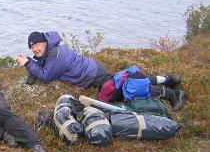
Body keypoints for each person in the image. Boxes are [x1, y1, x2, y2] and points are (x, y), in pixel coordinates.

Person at [16, 31, 185, 111]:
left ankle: (171, 93)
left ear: (44, 42)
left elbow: (46, 76)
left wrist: (27, 64)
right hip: (92, 70)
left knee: (124, 90)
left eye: (37, 44)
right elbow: (46, 65)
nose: (35, 49)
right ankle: (167, 79)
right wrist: (33, 61)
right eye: (32, 47)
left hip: (92, 75)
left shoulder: (56, 54)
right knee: (124, 81)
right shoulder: (52, 49)